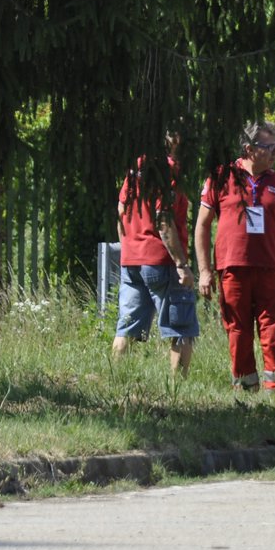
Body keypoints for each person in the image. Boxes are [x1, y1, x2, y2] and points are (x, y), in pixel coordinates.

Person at [194, 119, 275, 394]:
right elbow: (202, 226)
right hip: (232, 269)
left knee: (273, 332)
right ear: (249, 149)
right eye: (269, 146)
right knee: (238, 333)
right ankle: (246, 391)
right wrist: (204, 271)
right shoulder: (221, 176)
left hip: (270, 271)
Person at [112, 130, 198, 376]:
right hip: (162, 262)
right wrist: (181, 264)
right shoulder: (169, 170)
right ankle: (178, 389)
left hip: (132, 262)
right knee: (181, 327)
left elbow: (120, 208)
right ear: (175, 139)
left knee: (126, 328)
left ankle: (115, 381)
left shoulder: (137, 166)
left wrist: (128, 245)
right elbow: (164, 219)